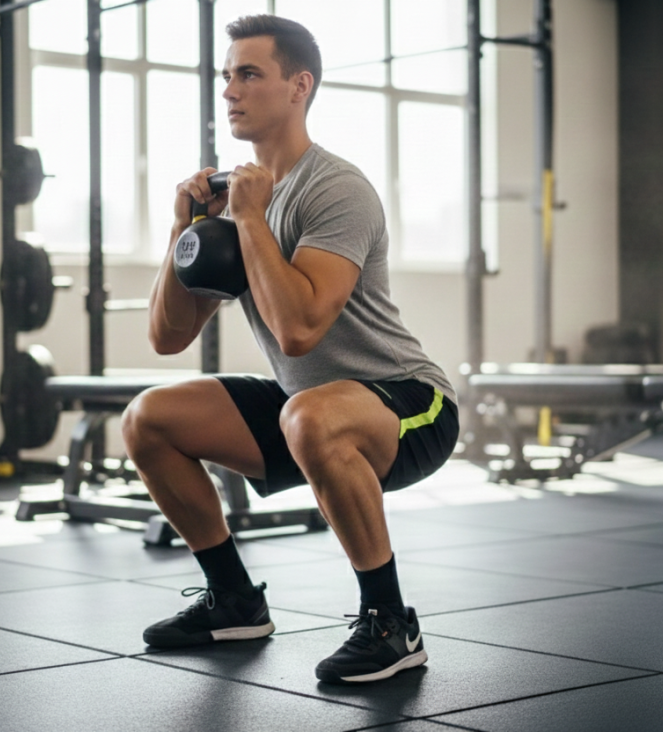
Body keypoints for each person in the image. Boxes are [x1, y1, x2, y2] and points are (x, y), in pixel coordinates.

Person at [121, 14, 459, 685]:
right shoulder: (236, 198)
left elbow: (299, 329)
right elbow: (168, 337)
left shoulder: (335, 189)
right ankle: (234, 602)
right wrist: (181, 231)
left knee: (312, 415)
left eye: (249, 74)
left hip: (409, 405)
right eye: (226, 76)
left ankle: (390, 625)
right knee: (148, 419)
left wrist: (249, 220)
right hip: (305, 405)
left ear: (299, 85)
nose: (230, 91)